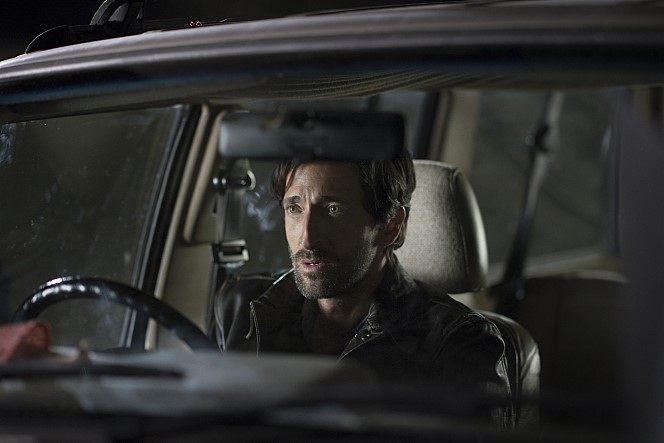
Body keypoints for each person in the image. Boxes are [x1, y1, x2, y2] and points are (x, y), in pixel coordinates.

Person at [214, 150, 513, 427]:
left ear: (390, 225)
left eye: (332, 209)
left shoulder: (457, 343)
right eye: (294, 208)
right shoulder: (242, 306)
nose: (307, 238)